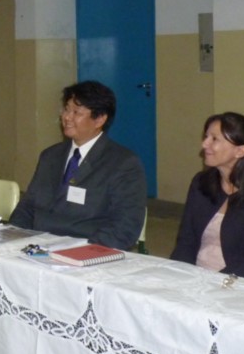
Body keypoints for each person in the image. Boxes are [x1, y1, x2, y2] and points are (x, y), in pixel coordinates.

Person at [10, 81, 146, 250]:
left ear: (99, 119)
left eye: (76, 112)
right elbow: (27, 207)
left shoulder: (123, 163)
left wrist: (81, 253)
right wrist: (14, 239)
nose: (67, 117)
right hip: (37, 247)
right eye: (66, 109)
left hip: (84, 251)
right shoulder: (50, 156)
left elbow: (125, 227)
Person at [170, 113, 244, 282]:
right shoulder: (200, 183)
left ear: (240, 151)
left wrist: (216, 283)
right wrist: (180, 276)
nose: (204, 144)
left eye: (214, 139)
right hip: (198, 277)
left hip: (241, 282)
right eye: (206, 136)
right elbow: (186, 241)